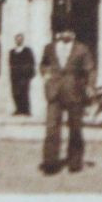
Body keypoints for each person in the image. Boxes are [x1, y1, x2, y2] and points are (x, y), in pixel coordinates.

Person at [40, 27, 95, 174]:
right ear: (59, 33)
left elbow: (89, 69)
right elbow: (44, 64)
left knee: (75, 128)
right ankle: (50, 164)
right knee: (51, 127)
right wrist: (46, 76)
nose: (66, 34)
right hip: (54, 92)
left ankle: (74, 162)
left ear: (73, 34)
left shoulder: (81, 49)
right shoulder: (49, 48)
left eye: (69, 31)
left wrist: (90, 86)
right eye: (63, 31)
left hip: (74, 92)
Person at [7, 33, 36, 116]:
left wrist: (28, 72)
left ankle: (26, 110)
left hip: (24, 75)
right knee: (16, 92)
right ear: (15, 40)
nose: (19, 41)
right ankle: (18, 109)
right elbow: (11, 63)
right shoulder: (12, 51)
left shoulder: (27, 50)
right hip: (15, 75)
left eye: (20, 39)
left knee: (24, 92)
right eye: (17, 39)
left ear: (22, 40)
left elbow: (31, 62)